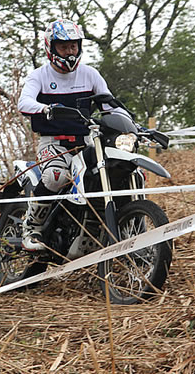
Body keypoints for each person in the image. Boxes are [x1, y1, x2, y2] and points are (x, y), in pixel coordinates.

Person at [17, 18, 119, 250]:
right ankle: (31, 229)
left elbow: (110, 104)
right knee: (55, 176)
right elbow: (24, 102)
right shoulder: (39, 76)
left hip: (86, 143)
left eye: (73, 46)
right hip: (53, 143)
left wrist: (134, 124)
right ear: (51, 48)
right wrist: (45, 108)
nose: (70, 51)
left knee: (108, 174)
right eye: (64, 47)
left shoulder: (90, 74)